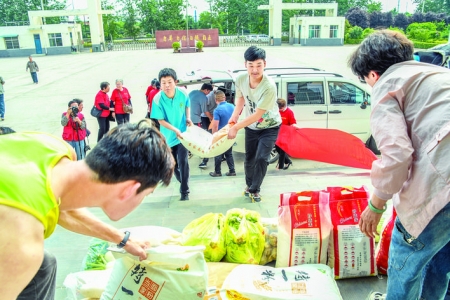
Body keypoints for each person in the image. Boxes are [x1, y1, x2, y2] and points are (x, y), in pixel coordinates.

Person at [0, 119, 175, 300]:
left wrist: (123, 240)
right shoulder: (22, 243)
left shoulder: (53, 147)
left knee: (45, 265)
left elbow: (59, 207)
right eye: (146, 194)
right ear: (129, 190)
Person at [349, 30, 450, 300]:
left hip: (445, 185)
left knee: (406, 260)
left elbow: (397, 154)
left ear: (372, 74)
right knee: (440, 258)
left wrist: (376, 205)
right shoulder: (437, 74)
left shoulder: (387, 84)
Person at [227, 46, 281, 203]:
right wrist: (233, 118)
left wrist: (236, 127)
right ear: (245, 65)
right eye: (251, 65)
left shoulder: (269, 86)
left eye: (259, 65)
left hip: (269, 126)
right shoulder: (240, 79)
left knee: (262, 158)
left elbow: (258, 114)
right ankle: (249, 186)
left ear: (265, 64)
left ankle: (255, 189)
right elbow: (241, 99)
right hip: (252, 127)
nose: (255, 70)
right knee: (249, 158)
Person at [151, 68, 192, 201]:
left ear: (175, 82)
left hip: (182, 135)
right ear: (160, 84)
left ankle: (184, 191)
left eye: (169, 82)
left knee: (183, 161)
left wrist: (188, 118)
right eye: (163, 83)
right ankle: (182, 180)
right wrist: (174, 129)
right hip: (168, 137)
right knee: (172, 165)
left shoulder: (183, 93)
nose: (167, 85)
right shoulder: (157, 99)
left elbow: (187, 105)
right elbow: (160, 120)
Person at [209, 90, 236, 177]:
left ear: (216, 100)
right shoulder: (232, 106)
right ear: (224, 98)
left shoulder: (217, 110)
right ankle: (232, 171)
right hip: (230, 133)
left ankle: (217, 172)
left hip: (221, 134)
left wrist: (213, 136)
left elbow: (215, 126)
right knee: (229, 153)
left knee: (218, 153)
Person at [189, 83, 213, 169]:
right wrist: (212, 118)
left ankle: (189, 151)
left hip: (187, 118)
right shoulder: (203, 97)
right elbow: (205, 112)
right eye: (209, 91)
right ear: (206, 90)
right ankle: (200, 152)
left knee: (190, 135)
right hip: (196, 119)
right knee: (200, 136)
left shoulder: (192, 92)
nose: (208, 93)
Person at [275, 98, 299, 170]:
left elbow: (293, 123)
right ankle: (288, 161)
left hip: (286, 134)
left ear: (284, 106)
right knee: (277, 148)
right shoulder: (276, 111)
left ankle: (280, 166)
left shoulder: (289, 112)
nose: (279, 110)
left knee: (282, 150)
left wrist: (296, 127)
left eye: (281, 108)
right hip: (278, 133)